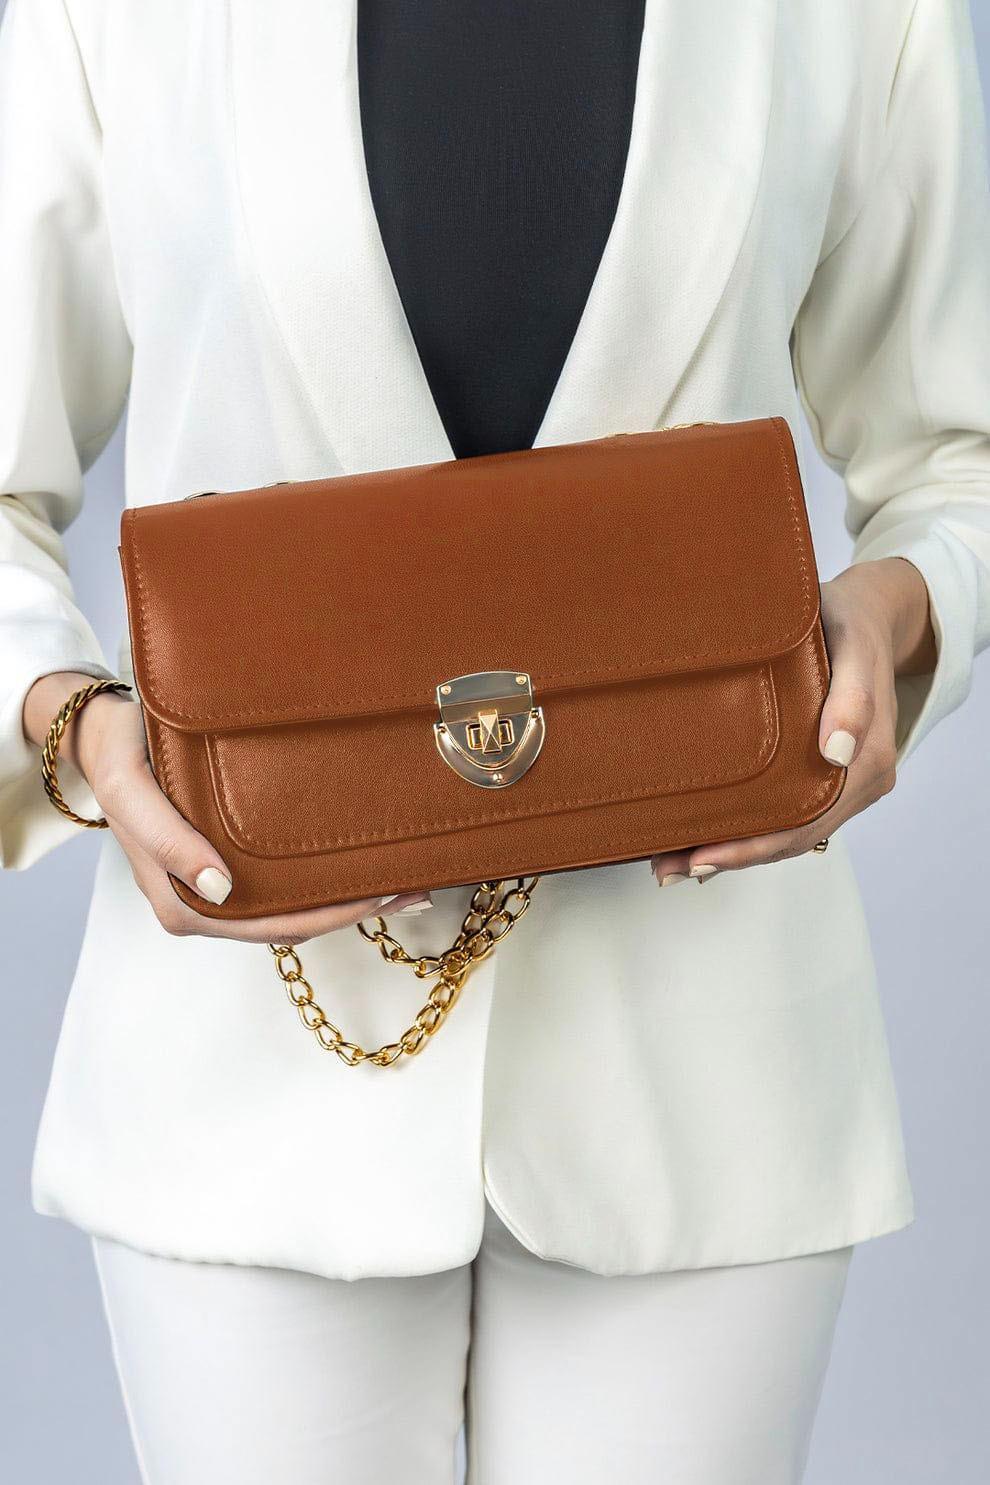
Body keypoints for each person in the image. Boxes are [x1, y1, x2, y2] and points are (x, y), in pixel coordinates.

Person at [2, 1, 988, 1480]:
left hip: (703, 1047)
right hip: (247, 1041)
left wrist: (903, 615)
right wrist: (73, 723)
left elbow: (956, 456)